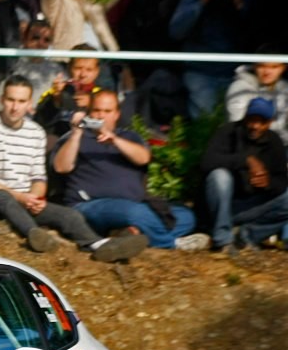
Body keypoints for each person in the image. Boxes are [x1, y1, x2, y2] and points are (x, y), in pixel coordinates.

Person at [0, 75, 148, 262]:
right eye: (10, 100)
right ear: (2, 100)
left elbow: (39, 177)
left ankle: (98, 245)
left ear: (29, 103)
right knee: (4, 197)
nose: (15, 107)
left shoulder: (36, 133)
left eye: (21, 101)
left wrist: (35, 197)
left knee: (69, 215)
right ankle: (36, 234)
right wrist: (22, 198)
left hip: (26, 200)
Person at [52, 89, 206, 251]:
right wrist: (76, 133)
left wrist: (115, 140)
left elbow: (144, 158)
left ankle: (128, 234)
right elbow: (61, 167)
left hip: (135, 205)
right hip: (90, 205)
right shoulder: (75, 138)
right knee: (134, 213)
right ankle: (170, 243)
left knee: (185, 216)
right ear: (89, 113)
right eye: (96, 111)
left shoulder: (129, 136)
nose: (101, 116)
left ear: (117, 114)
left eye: (107, 111)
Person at [200, 96, 288, 252]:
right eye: (251, 120)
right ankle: (222, 240)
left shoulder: (274, 142)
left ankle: (246, 236)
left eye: (262, 122)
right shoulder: (228, 132)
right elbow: (207, 162)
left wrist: (269, 183)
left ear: (270, 122)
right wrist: (246, 160)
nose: (255, 126)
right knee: (220, 176)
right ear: (245, 117)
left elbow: (281, 181)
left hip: (249, 206)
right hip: (220, 206)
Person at [34, 45, 100, 144]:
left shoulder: (103, 97)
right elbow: (38, 123)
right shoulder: (55, 92)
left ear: (97, 71)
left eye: (89, 70)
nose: (83, 74)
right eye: (78, 68)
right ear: (69, 68)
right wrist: (56, 101)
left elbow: (110, 127)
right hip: (59, 147)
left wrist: (92, 106)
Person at [225, 54, 288, 146]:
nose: (267, 72)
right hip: (247, 148)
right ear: (254, 65)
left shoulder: (284, 89)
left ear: (284, 68)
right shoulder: (240, 88)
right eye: (262, 65)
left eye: (274, 67)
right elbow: (240, 128)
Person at [9, 17, 67, 106]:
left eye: (46, 40)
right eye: (35, 38)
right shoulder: (10, 64)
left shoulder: (56, 70)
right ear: (24, 38)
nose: (41, 43)